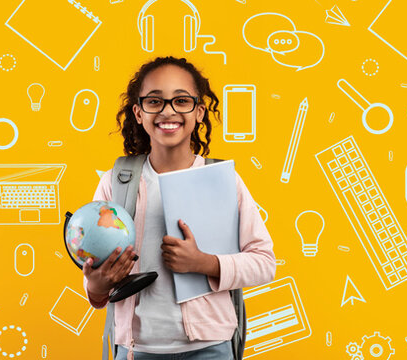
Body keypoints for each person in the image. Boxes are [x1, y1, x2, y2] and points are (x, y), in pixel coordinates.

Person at [82, 56, 276, 359]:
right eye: (155, 101)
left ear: (199, 112)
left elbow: (264, 262)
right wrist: (95, 286)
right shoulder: (116, 182)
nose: (168, 111)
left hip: (209, 349)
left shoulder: (224, 181)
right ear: (138, 112)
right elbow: (98, 289)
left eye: (181, 100)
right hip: (135, 350)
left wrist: (205, 263)